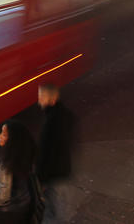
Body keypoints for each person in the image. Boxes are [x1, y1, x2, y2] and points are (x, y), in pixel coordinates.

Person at [36, 84, 75, 223]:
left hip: (54, 176)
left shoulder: (53, 121)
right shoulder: (64, 115)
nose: (39, 100)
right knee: (59, 210)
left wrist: (41, 179)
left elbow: (50, 152)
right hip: (61, 172)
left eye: (42, 97)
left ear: (52, 99)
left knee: (56, 213)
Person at [0, 120, 38, 224]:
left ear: (12, 140)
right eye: (1, 132)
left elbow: (4, 195)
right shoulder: (24, 154)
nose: (0, 136)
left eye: (4, 134)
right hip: (25, 206)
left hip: (9, 214)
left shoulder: (5, 163)